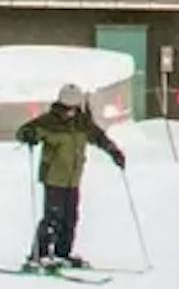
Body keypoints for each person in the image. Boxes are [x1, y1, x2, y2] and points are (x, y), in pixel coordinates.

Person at [14, 85, 127, 269]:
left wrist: (113, 151)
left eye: (74, 108)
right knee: (52, 218)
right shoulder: (49, 122)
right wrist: (29, 135)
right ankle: (39, 254)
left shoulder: (82, 124)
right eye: (67, 108)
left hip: (73, 179)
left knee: (70, 218)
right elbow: (24, 131)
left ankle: (62, 253)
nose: (71, 112)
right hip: (54, 178)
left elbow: (99, 137)